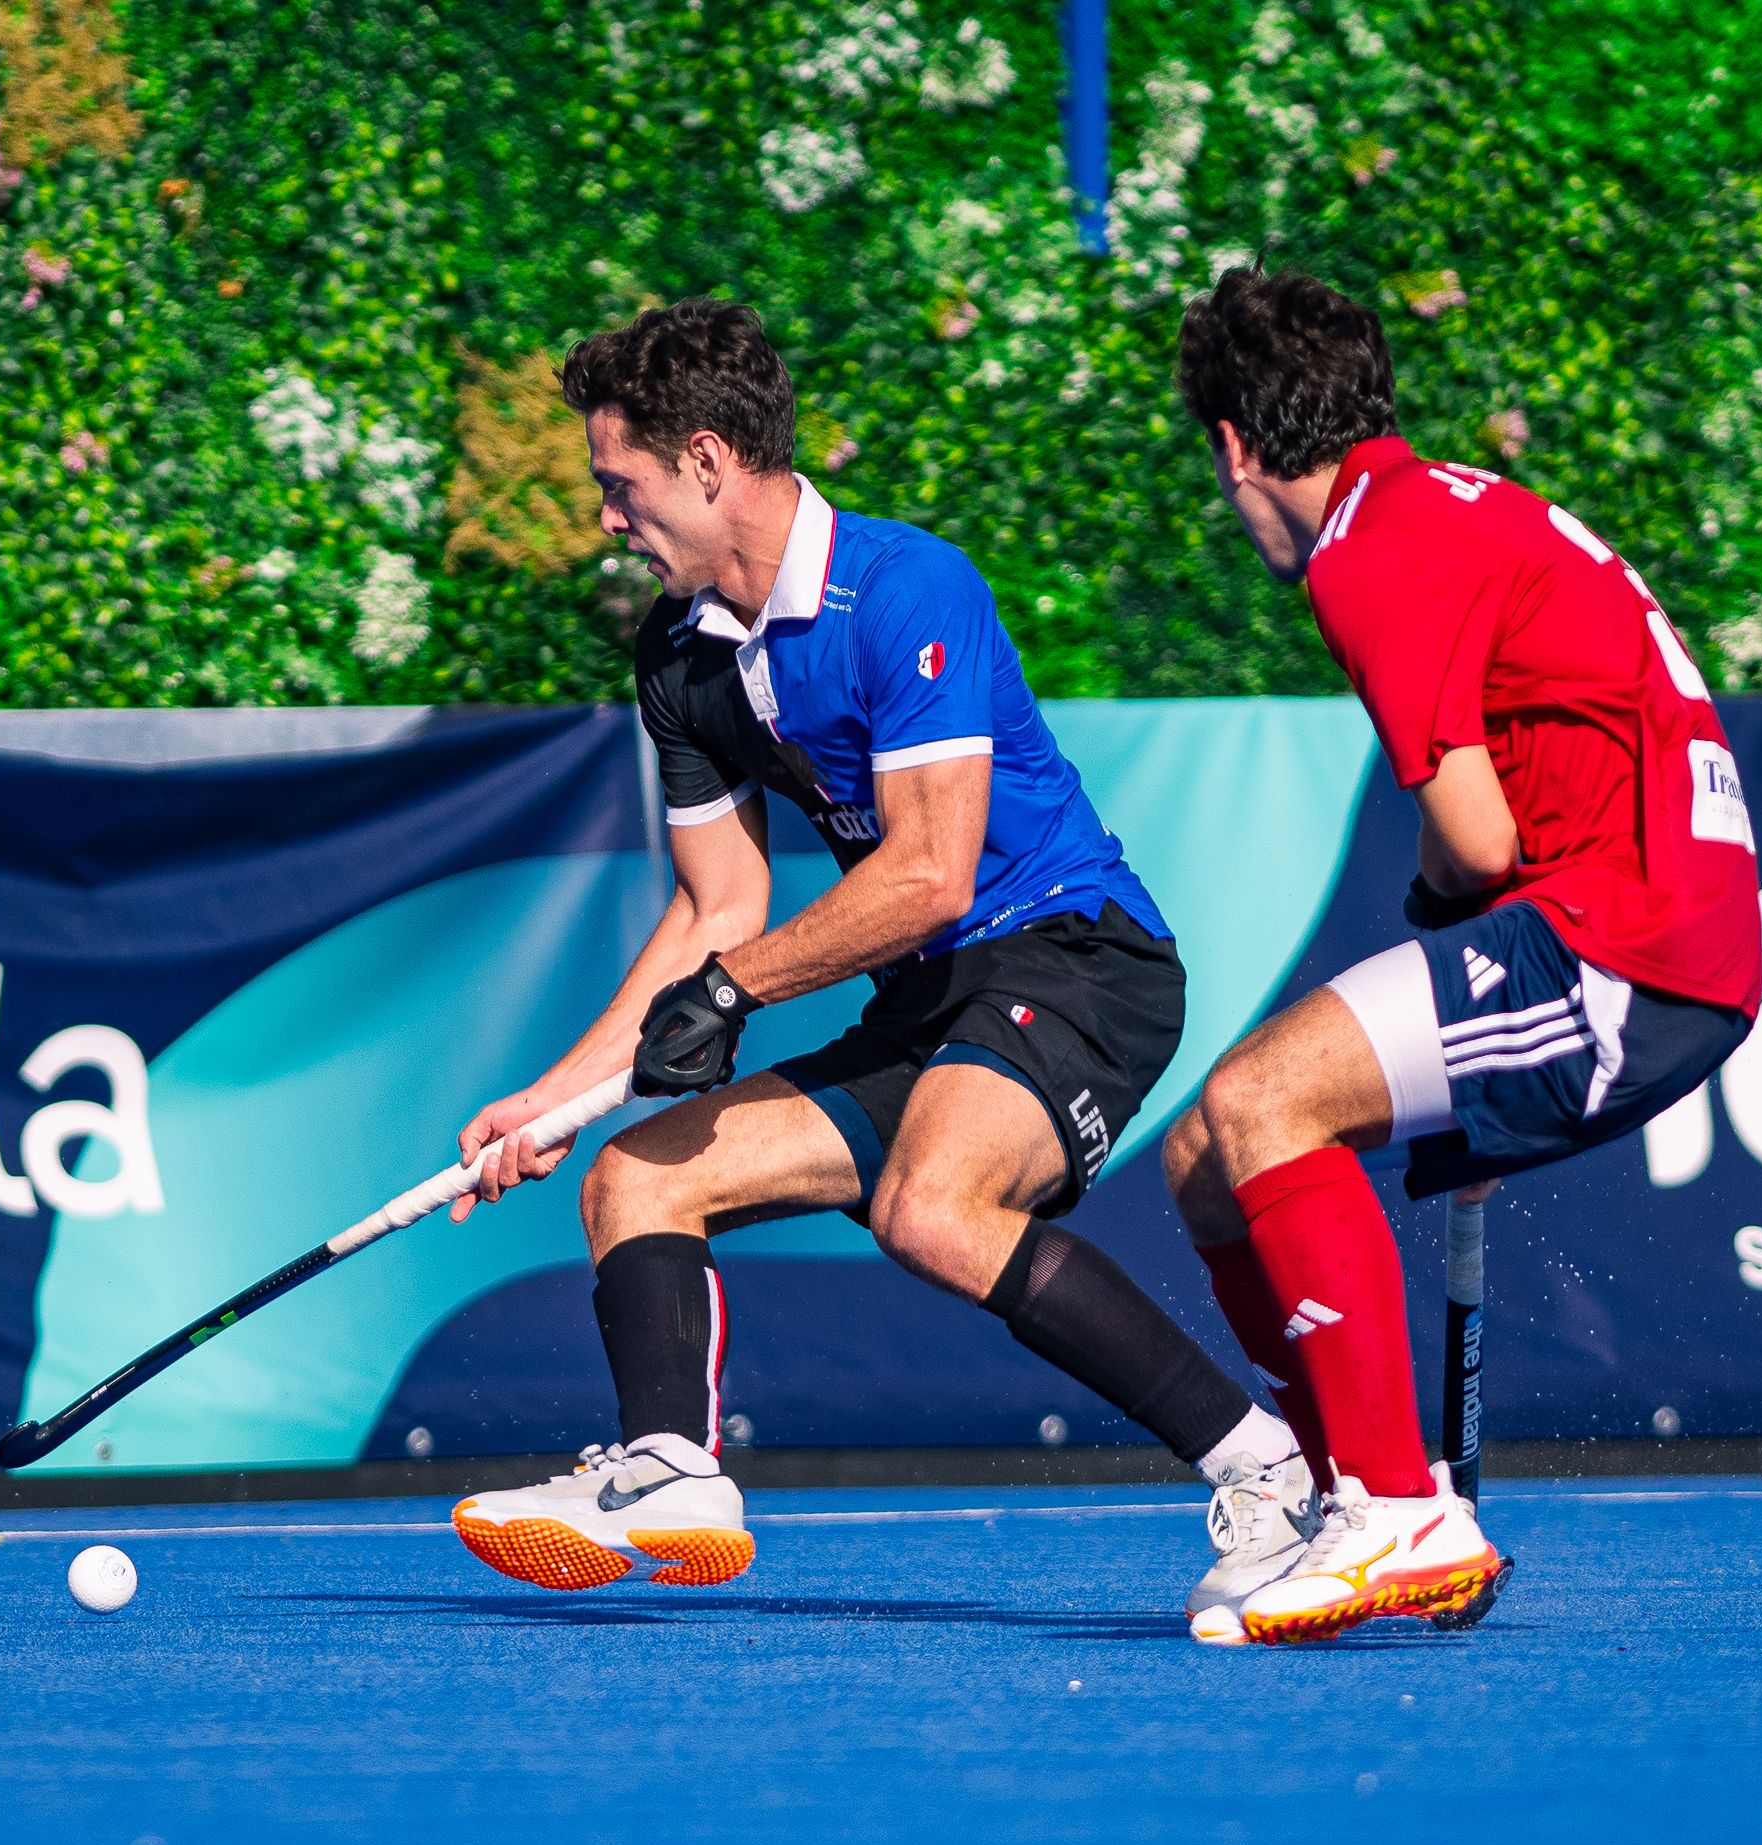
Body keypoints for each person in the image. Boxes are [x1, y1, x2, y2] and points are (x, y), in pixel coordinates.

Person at [442, 299, 1311, 1594]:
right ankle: (671, 1466)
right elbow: (714, 907)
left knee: (932, 1207)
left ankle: (1267, 1472)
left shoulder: (906, 587)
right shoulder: (678, 659)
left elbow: (926, 873)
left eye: (618, 486)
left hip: (1075, 960)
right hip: (934, 1000)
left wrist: (731, 992)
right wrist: (558, 1099)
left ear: (704, 461)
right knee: (633, 1181)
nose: (607, 519)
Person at [1159, 268, 1762, 1644]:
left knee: (1265, 1099)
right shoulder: (1439, 503)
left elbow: (1474, 843)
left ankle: (1396, 1507)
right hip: (1633, 920)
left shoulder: (1368, 552)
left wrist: (1446, 930)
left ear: (1237, 446)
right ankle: (1345, 1492)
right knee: (1208, 1154)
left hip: (1629, 942)